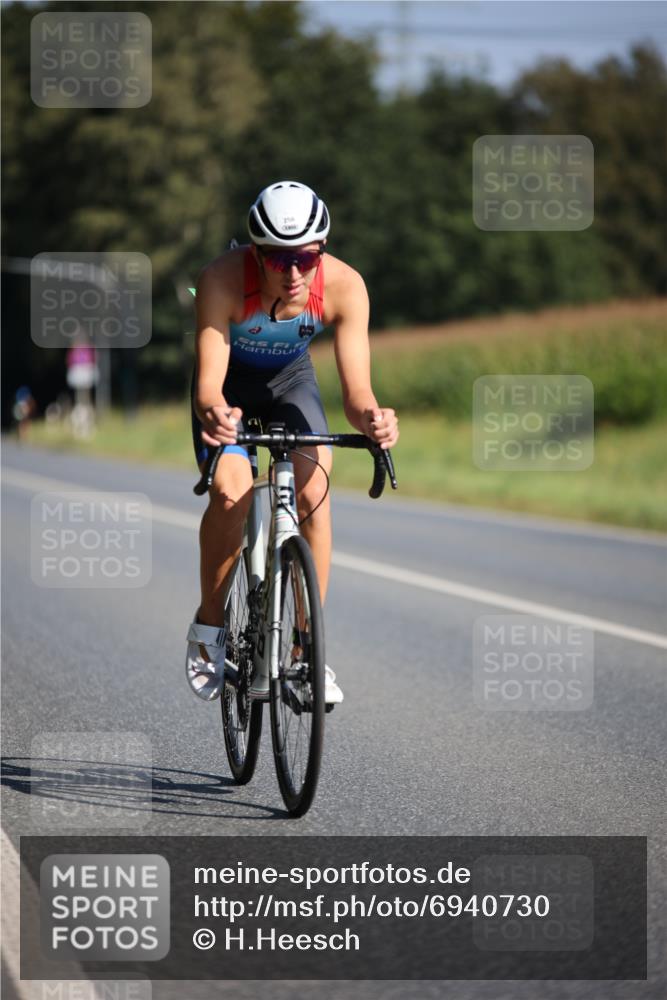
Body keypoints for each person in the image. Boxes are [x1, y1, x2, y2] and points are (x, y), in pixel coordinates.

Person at [186, 180, 399, 703]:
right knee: (231, 492)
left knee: (314, 493)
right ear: (255, 254)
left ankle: (307, 652)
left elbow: (358, 394)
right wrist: (216, 414)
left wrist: (374, 420)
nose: (295, 272)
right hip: (229, 389)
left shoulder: (346, 286)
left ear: (321, 250)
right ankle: (209, 628)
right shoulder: (221, 280)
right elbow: (209, 385)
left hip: (290, 383)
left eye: (306, 258)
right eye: (280, 260)